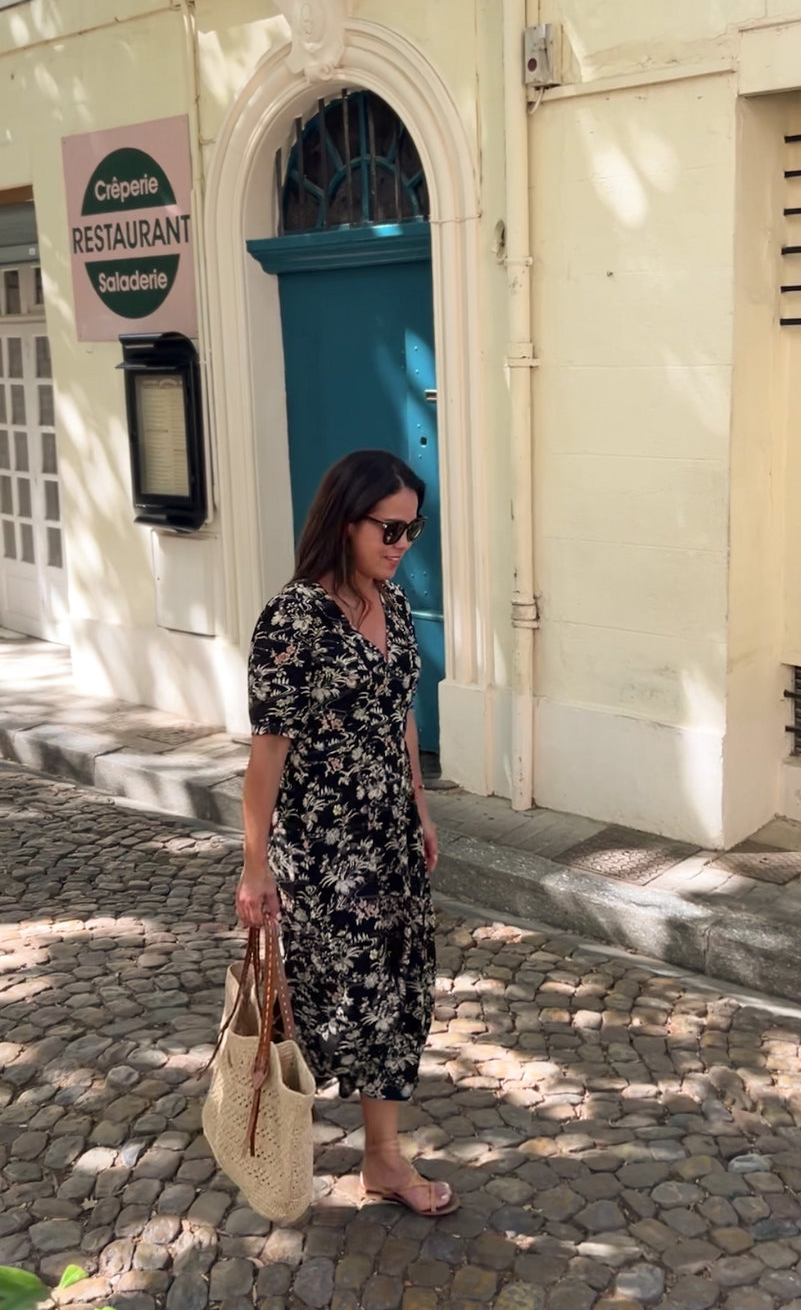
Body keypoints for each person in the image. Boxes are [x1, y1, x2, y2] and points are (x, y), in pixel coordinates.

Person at [235, 449, 456, 1218]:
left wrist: (420, 806)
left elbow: (401, 712)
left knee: (398, 993)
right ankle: (274, 1142)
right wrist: (254, 868)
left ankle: (384, 1159)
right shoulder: (292, 621)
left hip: (390, 837)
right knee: (323, 999)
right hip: (324, 850)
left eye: (412, 529)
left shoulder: (389, 603)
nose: (401, 544)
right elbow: (266, 757)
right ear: (345, 521)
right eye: (389, 528)